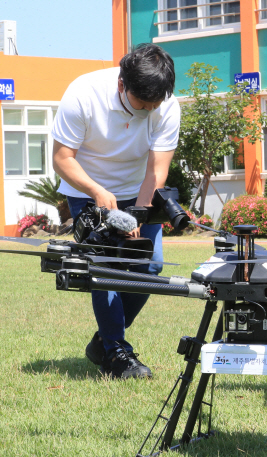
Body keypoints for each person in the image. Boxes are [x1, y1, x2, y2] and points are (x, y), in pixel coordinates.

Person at [52, 43, 180, 379]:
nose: (149, 110)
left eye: (155, 104)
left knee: (149, 266)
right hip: (88, 189)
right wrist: (96, 191)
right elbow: (62, 158)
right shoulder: (83, 93)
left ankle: (103, 341)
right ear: (122, 84)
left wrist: (138, 211)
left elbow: (157, 170)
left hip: (139, 191)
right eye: (143, 104)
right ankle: (116, 354)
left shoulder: (166, 106)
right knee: (106, 268)